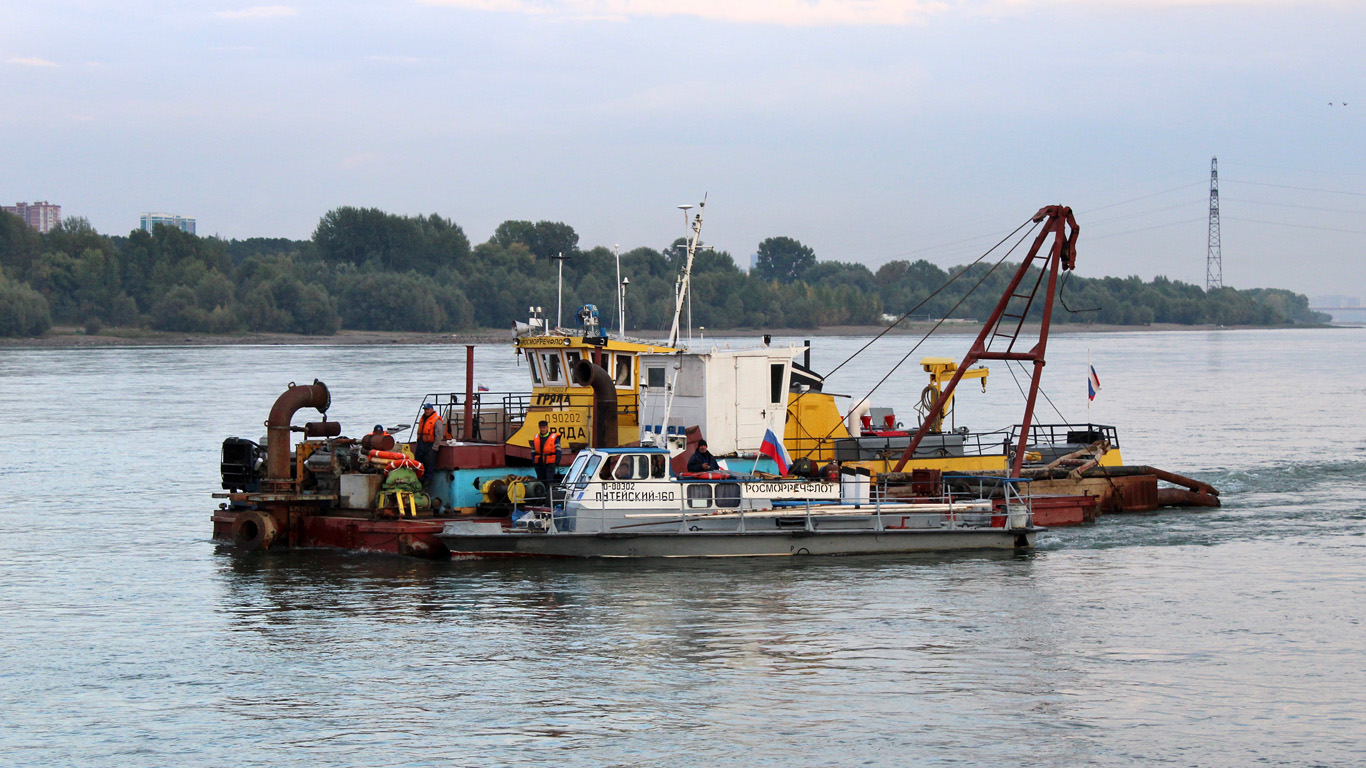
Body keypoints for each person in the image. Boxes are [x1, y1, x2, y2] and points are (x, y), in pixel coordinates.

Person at [414, 403, 445, 477]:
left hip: (430, 446)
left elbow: (439, 435)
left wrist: (435, 447)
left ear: (432, 409)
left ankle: (427, 485)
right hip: (421, 445)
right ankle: (419, 481)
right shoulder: (423, 419)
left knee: (429, 466)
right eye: (425, 409)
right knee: (417, 464)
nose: (426, 411)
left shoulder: (436, 420)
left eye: (427, 409)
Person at [530, 420, 560, 488]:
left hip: (550, 463)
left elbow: (558, 450)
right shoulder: (536, 438)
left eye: (544, 427)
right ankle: (542, 497)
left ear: (547, 427)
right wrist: (534, 462)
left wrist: (556, 461)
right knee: (541, 481)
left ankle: (549, 496)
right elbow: (533, 451)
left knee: (549, 481)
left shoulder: (554, 438)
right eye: (541, 427)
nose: (542, 429)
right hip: (539, 463)